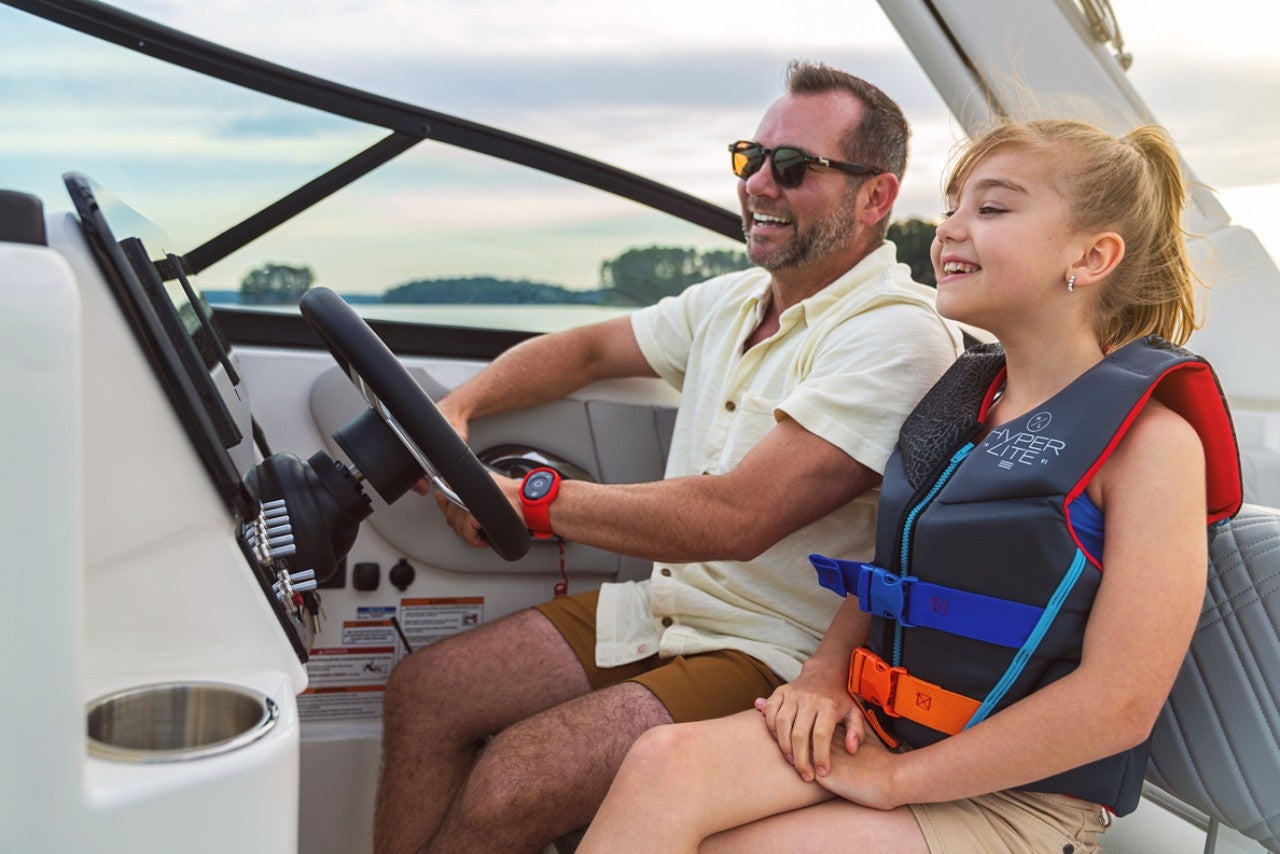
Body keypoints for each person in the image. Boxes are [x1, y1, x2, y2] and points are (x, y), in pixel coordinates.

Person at [579, 119, 1244, 853]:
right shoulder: (961, 403)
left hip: (1020, 801)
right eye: (952, 206)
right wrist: (825, 679)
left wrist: (899, 783)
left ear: (1091, 257)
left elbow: (1118, 705)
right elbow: (892, 576)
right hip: (887, 727)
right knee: (660, 763)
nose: (948, 230)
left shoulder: (1154, 447)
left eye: (990, 209)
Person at [372, 60, 963, 854]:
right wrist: (460, 407)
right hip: (663, 611)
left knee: (514, 777)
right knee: (426, 692)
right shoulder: (730, 302)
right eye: (750, 159)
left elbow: (736, 518)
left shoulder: (896, 335)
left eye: (793, 168)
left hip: (774, 650)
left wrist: (535, 501)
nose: (760, 185)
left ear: (876, 197)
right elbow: (585, 350)